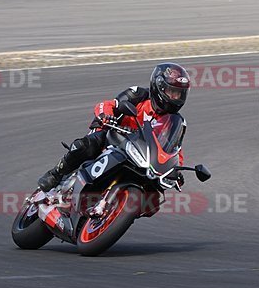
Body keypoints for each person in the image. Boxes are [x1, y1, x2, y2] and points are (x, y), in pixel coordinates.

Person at [37, 63, 190, 192]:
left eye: (179, 93)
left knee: (154, 195)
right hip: (113, 135)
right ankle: (56, 173)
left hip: (140, 155)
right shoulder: (138, 95)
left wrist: (175, 170)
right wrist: (106, 116)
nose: (175, 98)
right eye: (172, 92)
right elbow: (107, 105)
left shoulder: (174, 121)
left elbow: (174, 149)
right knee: (86, 146)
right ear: (159, 87)